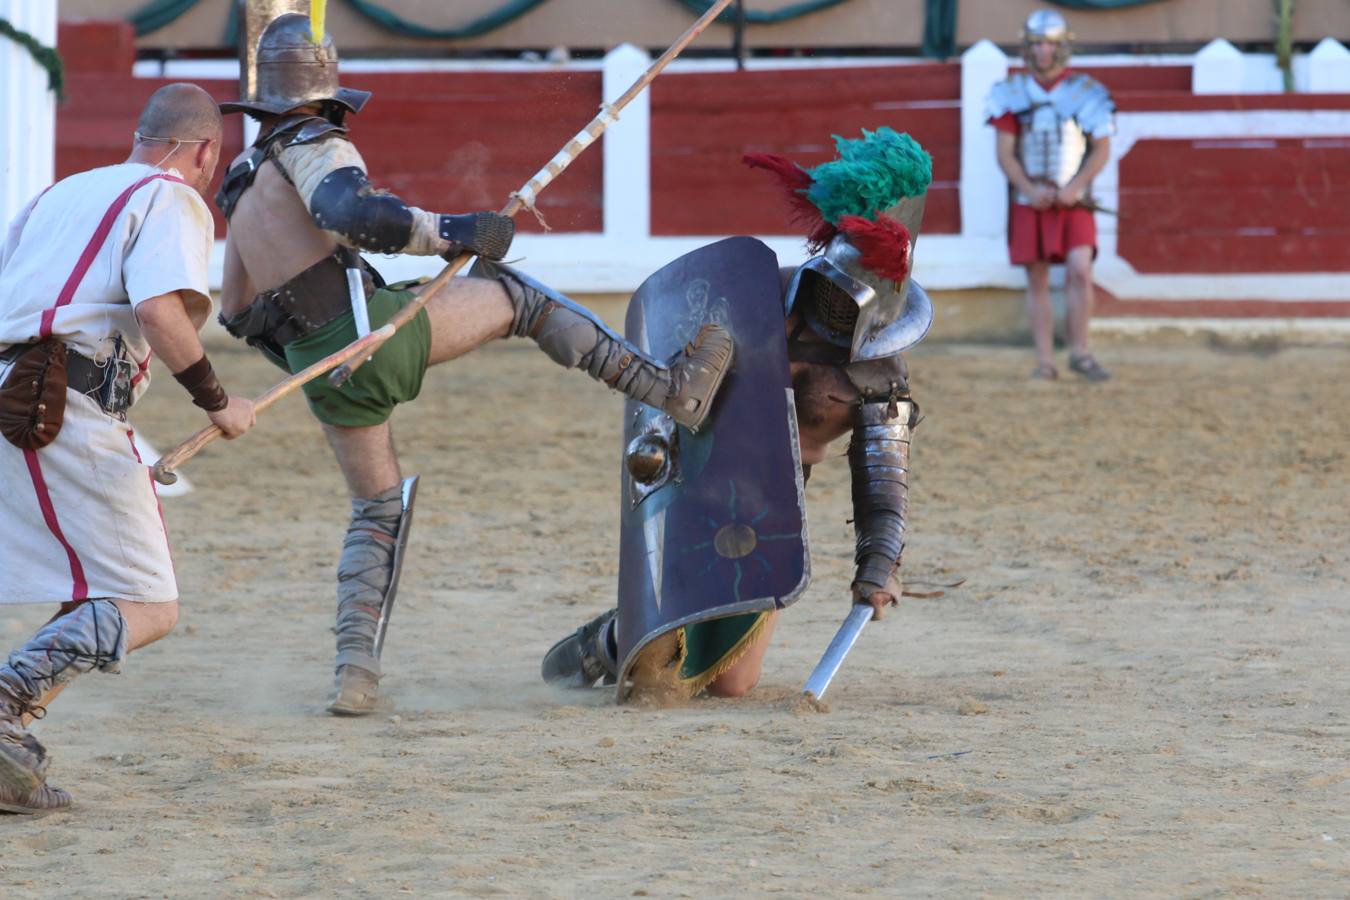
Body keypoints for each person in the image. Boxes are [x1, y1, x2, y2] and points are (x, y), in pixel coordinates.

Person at [215, 12, 733, 716]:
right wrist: (459, 232)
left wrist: (317, 346)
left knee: (376, 508)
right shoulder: (315, 142)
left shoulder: (242, 183)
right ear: (324, 98)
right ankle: (672, 391)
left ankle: (355, 675)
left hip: (321, 369)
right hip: (369, 336)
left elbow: (236, 310)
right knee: (522, 298)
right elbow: (354, 213)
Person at [542, 127, 930, 699]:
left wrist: (878, 566)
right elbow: (672, 388)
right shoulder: (750, 303)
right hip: (697, 470)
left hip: (768, 509)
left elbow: (881, 489)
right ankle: (618, 636)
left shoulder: (881, 373)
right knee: (665, 653)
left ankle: (620, 633)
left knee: (732, 686)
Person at [0, 84, 256, 815]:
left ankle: (7, 749)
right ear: (203, 151)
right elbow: (157, 308)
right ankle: (3, 708)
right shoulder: (171, 197)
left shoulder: (60, 194)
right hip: (62, 405)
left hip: (17, 393)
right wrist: (217, 401)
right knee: (147, 600)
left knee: (90, 587)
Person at [986, 9, 1115, 381]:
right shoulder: (1010, 93)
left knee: (1080, 270)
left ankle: (1081, 353)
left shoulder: (1085, 92)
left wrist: (1074, 188)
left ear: (1062, 47)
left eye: (1050, 44)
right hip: (1031, 201)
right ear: (1027, 47)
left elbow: (1100, 150)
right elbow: (1005, 154)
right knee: (1038, 278)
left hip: (1074, 202)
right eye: (1037, 43)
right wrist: (1028, 189)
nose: (1044, 51)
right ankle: (1046, 362)